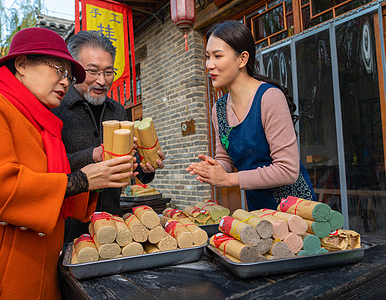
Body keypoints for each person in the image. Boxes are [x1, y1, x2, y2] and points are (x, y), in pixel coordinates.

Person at [0, 27, 136, 299]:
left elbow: (62, 195)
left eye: (69, 76)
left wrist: (104, 176)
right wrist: (85, 179)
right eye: (58, 70)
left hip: (41, 273)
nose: (65, 82)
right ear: (22, 64)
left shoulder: (41, 123)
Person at [186, 20, 316, 211]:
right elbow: (226, 159)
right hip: (259, 210)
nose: (209, 65)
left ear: (242, 59)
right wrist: (215, 168)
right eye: (207, 57)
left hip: (296, 209)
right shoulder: (219, 109)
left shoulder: (269, 97)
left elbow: (288, 170)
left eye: (217, 56)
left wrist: (229, 179)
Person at [52, 30, 165, 244]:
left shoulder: (118, 111)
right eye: (92, 72)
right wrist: (92, 155)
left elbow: (129, 163)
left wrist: (145, 168)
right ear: (75, 71)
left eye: (108, 72)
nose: (102, 81)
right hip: (66, 224)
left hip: (112, 220)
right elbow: (46, 168)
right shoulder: (57, 108)